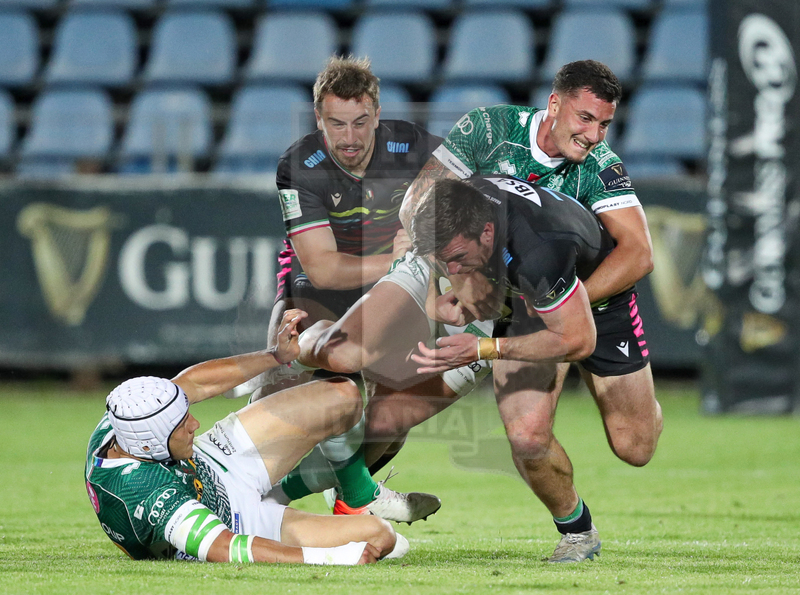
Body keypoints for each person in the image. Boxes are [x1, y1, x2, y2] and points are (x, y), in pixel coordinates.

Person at [248, 54, 444, 522]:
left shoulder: (413, 147)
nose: (350, 137)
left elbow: (472, 188)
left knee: (394, 418)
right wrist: (402, 259)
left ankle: (347, 495)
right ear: (319, 119)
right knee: (287, 389)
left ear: (377, 115)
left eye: (360, 122)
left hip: (387, 291)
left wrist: (431, 232)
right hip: (316, 291)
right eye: (336, 123)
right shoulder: (299, 165)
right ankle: (261, 488)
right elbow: (323, 270)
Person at [84, 308, 408, 565]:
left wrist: (276, 355)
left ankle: (325, 493)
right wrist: (333, 558)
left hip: (219, 459)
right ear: (147, 446)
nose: (195, 424)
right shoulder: (141, 493)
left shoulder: (130, 416)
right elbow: (225, 547)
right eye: (181, 426)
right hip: (236, 523)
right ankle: (289, 492)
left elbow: (195, 384)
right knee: (381, 536)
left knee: (342, 397)